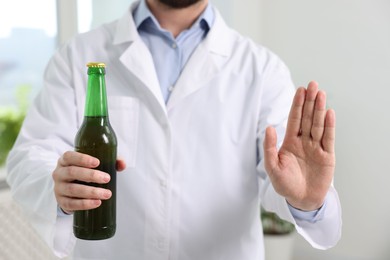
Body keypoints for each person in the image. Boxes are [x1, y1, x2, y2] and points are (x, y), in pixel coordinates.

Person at [6, 0, 342, 259]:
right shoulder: (79, 56)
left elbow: (285, 177)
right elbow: (28, 158)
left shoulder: (261, 70)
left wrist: (308, 199)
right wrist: (58, 183)